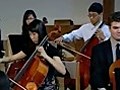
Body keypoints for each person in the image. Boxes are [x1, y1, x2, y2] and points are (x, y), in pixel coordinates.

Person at [0, 19, 66, 90]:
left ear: (40, 33)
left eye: (34, 34)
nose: (32, 37)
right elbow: (12, 58)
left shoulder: (51, 50)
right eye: (30, 34)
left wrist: (46, 56)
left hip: (48, 87)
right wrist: (1, 60)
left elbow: (63, 71)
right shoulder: (31, 48)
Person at [90, 11, 120, 90]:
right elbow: (96, 77)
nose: (119, 31)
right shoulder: (98, 50)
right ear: (109, 29)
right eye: (115, 28)